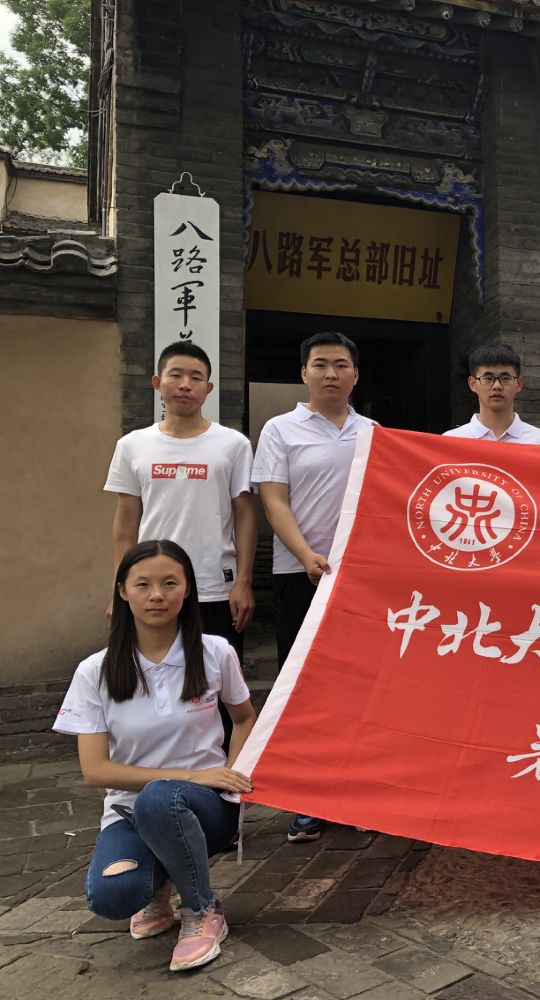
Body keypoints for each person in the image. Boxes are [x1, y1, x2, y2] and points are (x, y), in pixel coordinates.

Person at [53, 540, 256, 972]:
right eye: (143, 584)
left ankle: (202, 910)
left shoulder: (216, 652)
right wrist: (189, 774)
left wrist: (233, 777)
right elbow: (95, 771)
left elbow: (244, 719)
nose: (157, 595)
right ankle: (162, 884)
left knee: (162, 798)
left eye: (170, 583)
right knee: (112, 896)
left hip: (206, 808)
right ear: (123, 591)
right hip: (130, 810)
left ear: (188, 589)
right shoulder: (95, 671)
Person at [253, 331, 374, 843]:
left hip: (360, 581)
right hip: (299, 574)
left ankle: (353, 793)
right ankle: (307, 799)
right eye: (320, 364)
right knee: (303, 687)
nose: (330, 373)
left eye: (340, 365)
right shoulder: (280, 430)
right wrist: (306, 555)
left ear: (355, 375)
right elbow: (273, 499)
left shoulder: (373, 433)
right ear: (303, 373)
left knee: (358, 687)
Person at [105, 343, 257, 654]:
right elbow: (126, 523)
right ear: (157, 382)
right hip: (152, 588)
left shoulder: (234, 445)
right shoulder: (132, 445)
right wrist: (119, 588)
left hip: (215, 585)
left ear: (208, 388)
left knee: (216, 675)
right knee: (152, 674)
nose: (185, 385)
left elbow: (246, 516)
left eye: (196, 377)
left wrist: (243, 581)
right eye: (175, 375)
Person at [444, 343, 540, 446]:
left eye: (505, 378)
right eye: (488, 378)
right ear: (472, 384)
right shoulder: (452, 441)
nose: (497, 386)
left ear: (519, 384)